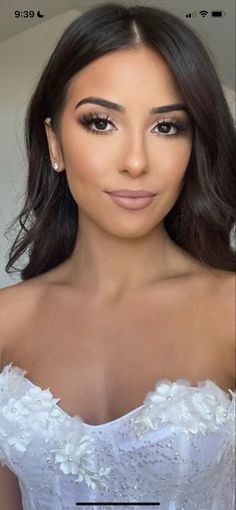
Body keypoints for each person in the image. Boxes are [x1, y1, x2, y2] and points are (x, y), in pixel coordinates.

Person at [0, 2, 235, 509]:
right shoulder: (5, 322)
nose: (135, 161)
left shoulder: (230, 310)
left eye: (167, 127)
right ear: (54, 142)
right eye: (101, 122)